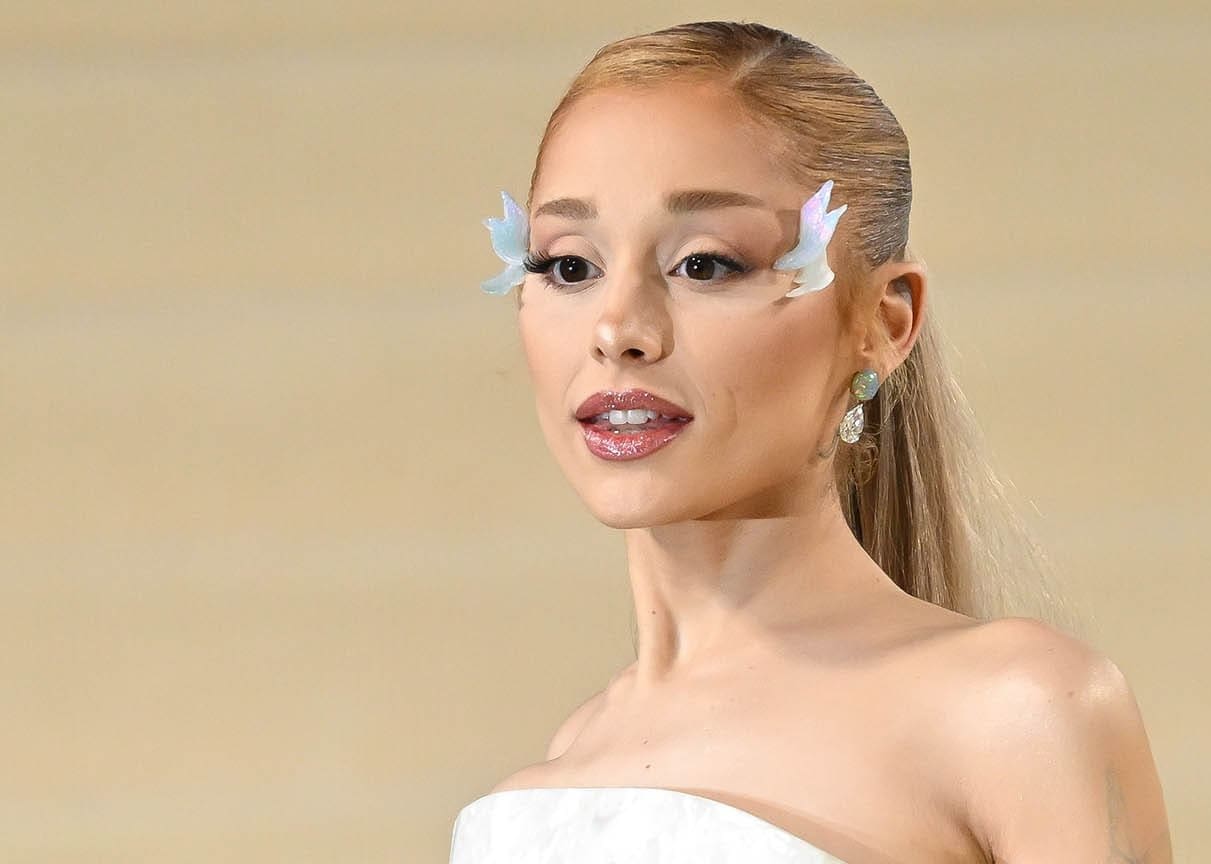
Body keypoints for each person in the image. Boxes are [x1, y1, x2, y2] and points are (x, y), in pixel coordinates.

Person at [450, 19, 1171, 864]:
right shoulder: (550, 784)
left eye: (705, 263)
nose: (618, 331)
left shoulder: (1015, 712)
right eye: (570, 266)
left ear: (883, 323)